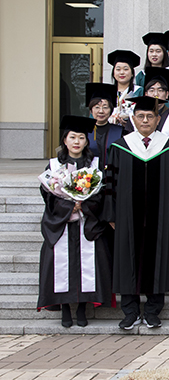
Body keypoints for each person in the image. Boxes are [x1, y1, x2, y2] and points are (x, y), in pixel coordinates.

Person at [102, 96, 169, 330]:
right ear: (133, 118)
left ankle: (152, 312)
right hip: (127, 216)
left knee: (158, 260)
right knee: (127, 260)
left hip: (161, 218)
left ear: (158, 119)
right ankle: (129, 312)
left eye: (150, 116)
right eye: (141, 116)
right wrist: (112, 214)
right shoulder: (121, 146)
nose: (146, 120)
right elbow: (110, 183)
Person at [37, 116, 113, 328]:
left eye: (81, 137)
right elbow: (49, 196)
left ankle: (81, 309)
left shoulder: (95, 165)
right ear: (65, 140)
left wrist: (84, 205)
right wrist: (69, 206)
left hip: (86, 223)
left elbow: (101, 194)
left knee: (86, 264)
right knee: (61, 265)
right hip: (61, 224)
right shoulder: (54, 166)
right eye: (72, 137)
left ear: (87, 141)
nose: (77, 141)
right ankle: (64, 310)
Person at [85, 83, 127, 169]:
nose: (101, 111)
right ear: (91, 110)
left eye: (105, 107)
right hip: (87, 178)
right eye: (97, 107)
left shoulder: (121, 132)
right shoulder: (84, 132)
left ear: (111, 111)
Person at [107, 49, 142, 127]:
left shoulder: (139, 91)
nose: (122, 72)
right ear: (113, 73)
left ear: (132, 73)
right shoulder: (107, 92)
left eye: (126, 69)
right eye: (118, 69)